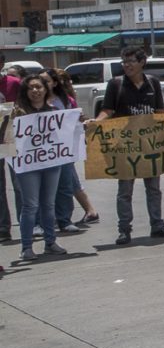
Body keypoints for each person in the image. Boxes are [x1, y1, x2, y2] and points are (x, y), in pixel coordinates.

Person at [94, 47, 164, 246]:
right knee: (125, 190)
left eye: (131, 61)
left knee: (154, 188)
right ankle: (124, 230)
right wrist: (95, 122)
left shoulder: (153, 83)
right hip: (126, 146)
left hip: (150, 144)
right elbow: (107, 110)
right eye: (124, 62)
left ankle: (157, 226)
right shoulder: (116, 84)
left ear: (142, 62)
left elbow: (160, 111)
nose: (127, 65)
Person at [12, 76, 67, 261]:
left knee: (48, 204)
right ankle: (26, 247)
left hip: (51, 162)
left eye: (38, 87)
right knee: (30, 205)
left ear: (45, 89)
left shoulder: (54, 111)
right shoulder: (17, 113)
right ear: (25, 92)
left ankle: (50, 242)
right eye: (31, 88)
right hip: (27, 164)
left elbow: (66, 134)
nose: (35, 91)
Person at [51, 69, 99, 223]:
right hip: (50, 148)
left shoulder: (66, 100)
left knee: (69, 179)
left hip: (65, 147)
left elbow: (75, 119)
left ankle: (89, 211)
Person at [39, 69, 83, 233]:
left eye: (46, 81)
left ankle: (64, 220)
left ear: (55, 83)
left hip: (62, 150)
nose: (42, 84)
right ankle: (43, 222)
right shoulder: (33, 101)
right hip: (41, 151)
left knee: (65, 185)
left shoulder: (65, 100)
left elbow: (75, 121)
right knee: (43, 188)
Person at [0, 52, 22, 241]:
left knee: (19, 183)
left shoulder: (14, 83)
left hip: (13, 138)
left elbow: (26, 105)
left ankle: (26, 223)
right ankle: (3, 228)